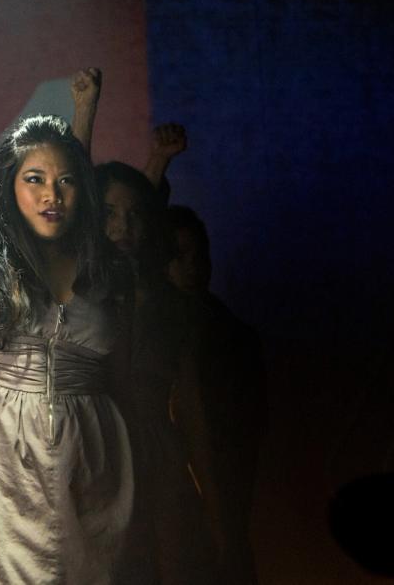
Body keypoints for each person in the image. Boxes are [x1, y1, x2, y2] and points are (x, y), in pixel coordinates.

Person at [0, 0, 137, 584]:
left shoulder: (100, 266)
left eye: (63, 182)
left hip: (94, 480)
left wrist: (83, 118)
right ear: (8, 188)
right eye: (33, 180)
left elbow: (76, 200)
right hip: (0, 480)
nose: (50, 195)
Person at [96, 161, 218, 585]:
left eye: (133, 216)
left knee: (171, 562)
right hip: (101, 452)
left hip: (157, 455)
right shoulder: (87, 295)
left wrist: (216, 504)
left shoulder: (170, 304)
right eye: (109, 214)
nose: (122, 226)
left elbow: (192, 404)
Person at [166, 205, 266, 585]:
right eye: (179, 256)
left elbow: (252, 425)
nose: (192, 267)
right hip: (182, 492)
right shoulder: (156, 333)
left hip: (231, 487)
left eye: (199, 255)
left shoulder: (234, 334)